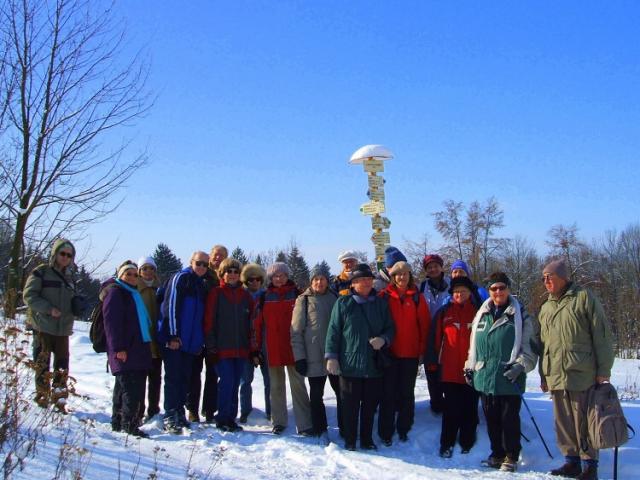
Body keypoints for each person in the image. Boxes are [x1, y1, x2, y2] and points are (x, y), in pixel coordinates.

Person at [538, 259, 614, 480]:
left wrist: (604, 369)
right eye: (543, 278)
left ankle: (589, 464)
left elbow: (601, 334)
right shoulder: (546, 307)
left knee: (584, 421)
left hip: (581, 372)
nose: (546, 282)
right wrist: (544, 375)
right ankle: (571, 461)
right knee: (563, 421)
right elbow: (544, 345)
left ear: (563, 277)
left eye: (549, 277)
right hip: (555, 373)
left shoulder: (583, 298)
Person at [465, 272, 537, 472]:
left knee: (509, 420)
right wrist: (469, 367)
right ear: (489, 291)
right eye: (494, 288)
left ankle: (511, 456)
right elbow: (474, 346)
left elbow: (529, 347)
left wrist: (520, 365)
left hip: (508, 376)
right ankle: (497, 454)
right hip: (485, 376)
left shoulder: (519, 315)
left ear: (508, 289)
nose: (498, 292)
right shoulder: (482, 313)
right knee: (492, 419)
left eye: (502, 288)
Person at [325, 263, 395, 451]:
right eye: (360, 280)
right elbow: (333, 331)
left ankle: (366, 439)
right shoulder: (343, 303)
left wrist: (384, 339)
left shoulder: (380, 303)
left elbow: (390, 328)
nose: (365, 283)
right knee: (349, 405)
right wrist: (331, 357)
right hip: (349, 364)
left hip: (373, 364)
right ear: (353, 284)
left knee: (370, 406)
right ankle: (350, 439)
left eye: (368, 279)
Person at [252, 262, 313, 435]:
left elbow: (307, 322)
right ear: (270, 278)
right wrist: (255, 348)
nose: (279, 279)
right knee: (276, 386)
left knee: (298, 386)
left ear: (287, 276)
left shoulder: (297, 294)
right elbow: (256, 324)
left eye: (282, 275)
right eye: (275, 276)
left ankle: (304, 423)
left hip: (294, 348)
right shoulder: (263, 297)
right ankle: (278, 421)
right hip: (272, 348)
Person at [23, 238, 78, 412]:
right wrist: (48, 309)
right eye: (62, 253)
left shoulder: (69, 277)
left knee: (62, 366)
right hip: (43, 326)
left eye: (69, 255)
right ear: (55, 254)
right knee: (42, 364)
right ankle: (42, 398)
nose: (65, 257)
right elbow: (29, 295)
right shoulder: (41, 272)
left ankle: (60, 401)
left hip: (63, 329)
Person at [377, 261, 430, 446]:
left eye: (405, 274)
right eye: (398, 274)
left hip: (410, 353)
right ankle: (385, 430)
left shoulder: (417, 297)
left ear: (410, 276)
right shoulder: (383, 296)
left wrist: (422, 350)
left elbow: (424, 325)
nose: (402, 277)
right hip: (389, 353)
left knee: (407, 393)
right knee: (387, 393)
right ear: (392, 277)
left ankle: (404, 427)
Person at [157, 251, 209, 433]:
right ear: (191, 262)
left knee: (185, 378)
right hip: (175, 340)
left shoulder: (200, 285)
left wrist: (198, 342)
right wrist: (172, 335)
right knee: (173, 378)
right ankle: (170, 414)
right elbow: (170, 307)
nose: (202, 267)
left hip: (190, 343)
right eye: (199, 263)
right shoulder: (181, 278)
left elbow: (200, 316)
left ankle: (179, 412)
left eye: (205, 265)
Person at [103, 261, 152, 438]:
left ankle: (117, 420)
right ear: (120, 275)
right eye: (128, 274)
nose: (132, 277)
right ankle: (129, 424)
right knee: (132, 388)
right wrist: (118, 348)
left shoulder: (132, 293)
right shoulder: (116, 293)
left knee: (122, 387)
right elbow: (111, 323)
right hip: (125, 350)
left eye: (134, 274)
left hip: (137, 348)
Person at [204, 258, 254, 432]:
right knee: (226, 381)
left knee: (235, 384)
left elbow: (252, 322)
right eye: (228, 272)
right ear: (222, 274)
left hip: (241, 348)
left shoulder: (245, 295)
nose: (232, 275)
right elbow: (209, 321)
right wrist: (211, 346)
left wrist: (252, 346)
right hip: (222, 348)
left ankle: (231, 417)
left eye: (235, 272)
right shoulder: (216, 293)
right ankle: (222, 417)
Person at [290, 265, 339, 438]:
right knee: (317, 395)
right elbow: (296, 332)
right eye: (316, 279)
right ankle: (320, 428)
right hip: (313, 357)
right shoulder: (303, 300)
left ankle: (345, 425)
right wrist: (299, 358)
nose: (319, 282)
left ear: (327, 281)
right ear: (311, 281)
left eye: (322, 279)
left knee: (341, 392)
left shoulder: (335, 298)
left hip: (334, 356)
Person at [186, 244, 227, 422]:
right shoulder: (199, 274)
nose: (218, 258)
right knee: (194, 373)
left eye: (222, 255)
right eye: (216, 254)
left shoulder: (227, 277)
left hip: (216, 333)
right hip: (197, 330)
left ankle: (209, 410)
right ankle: (192, 409)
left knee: (213, 373)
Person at [236, 262, 270, 422]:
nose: (254, 282)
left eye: (258, 279)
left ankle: (271, 412)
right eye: (250, 279)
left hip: (265, 343)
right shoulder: (240, 297)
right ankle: (245, 411)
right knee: (245, 381)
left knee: (269, 381)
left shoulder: (267, 296)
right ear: (245, 281)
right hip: (244, 343)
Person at [420, 253, 450, 414]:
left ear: (441, 267)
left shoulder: (450, 284)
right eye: (429, 267)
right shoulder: (422, 287)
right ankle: (436, 402)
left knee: (447, 368)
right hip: (428, 335)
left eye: (435, 266)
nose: (433, 269)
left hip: (447, 334)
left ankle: (450, 399)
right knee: (431, 369)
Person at [136, 256, 162, 421]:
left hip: (157, 339)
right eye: (145, 268)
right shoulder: (135, 289)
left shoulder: (160, 288)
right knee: (139, 379)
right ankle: (138, 410)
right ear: (139, 271)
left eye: (151, 268)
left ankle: (154, 410)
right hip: (141, 341)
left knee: (156, 378)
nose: (148, 272)